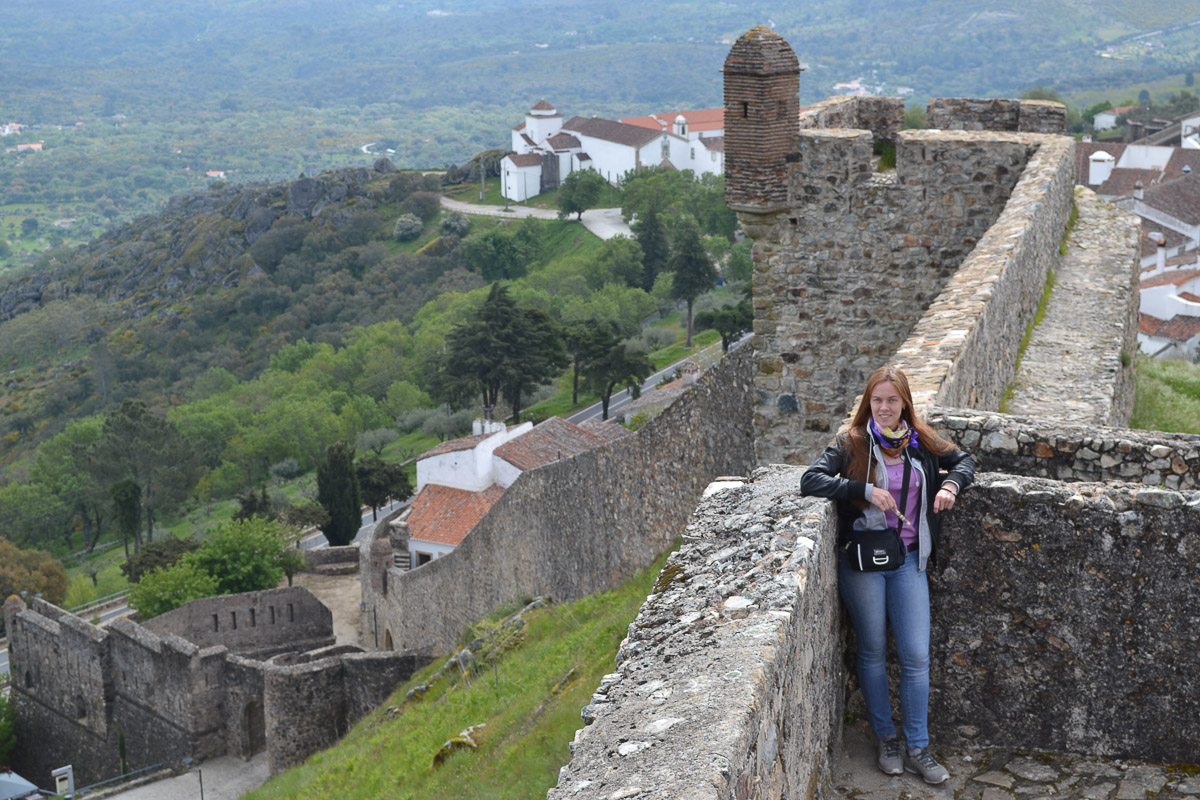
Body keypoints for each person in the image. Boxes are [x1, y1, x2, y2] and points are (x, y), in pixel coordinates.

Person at [800, 365, 974, 785]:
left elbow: (965, 460)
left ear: (905, 404)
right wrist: (862, 490)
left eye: (892, 400)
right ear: (868, 403)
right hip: (863, 563)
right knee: (873, 650)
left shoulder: (921, 442)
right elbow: (810, 480)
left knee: (916, 656)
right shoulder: (853, 442)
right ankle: (886, 740)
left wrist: (950, 486)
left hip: (909, 561)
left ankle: (918, 747)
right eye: (877, 400)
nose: (884, 407)